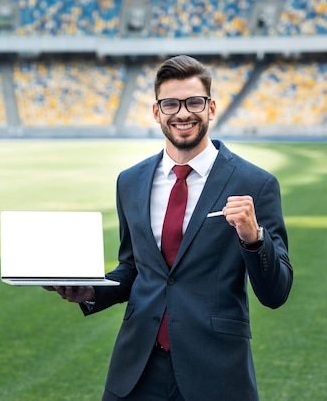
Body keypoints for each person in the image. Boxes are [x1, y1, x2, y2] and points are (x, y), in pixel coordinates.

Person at [44, 55, 293, 400]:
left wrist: (255, 240)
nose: (183, 113)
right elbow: (134, 269)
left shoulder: (255, 183)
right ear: (156, 111)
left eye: (194, 102)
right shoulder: (130, 181)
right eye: (171, 103)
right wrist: (92, 291)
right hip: (136, 371)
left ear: (211, 107)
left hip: (216, 373)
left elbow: (276, 293)